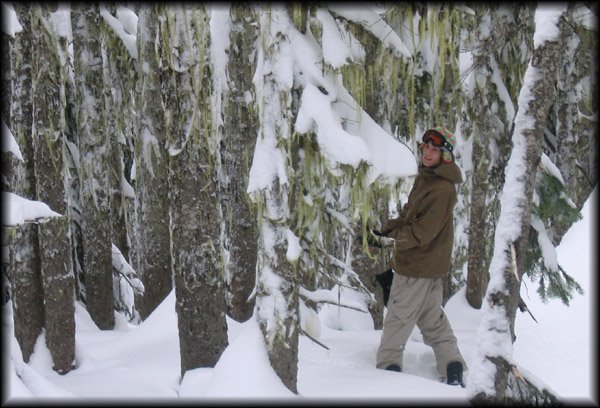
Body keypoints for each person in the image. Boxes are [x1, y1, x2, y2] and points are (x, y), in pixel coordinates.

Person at [373, 126, 466, 386]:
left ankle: (385, 377)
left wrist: (389, 243)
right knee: (430, 319)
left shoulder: (442, 189)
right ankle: (452, 366)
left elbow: (421, 233)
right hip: (429, 269)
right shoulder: (428, 178)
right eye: (426, 147)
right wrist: (382, 232)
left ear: (445, 156)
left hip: (417, 268)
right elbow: (407, 216)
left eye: (435, 149)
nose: (428, 153)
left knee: (397, 321)